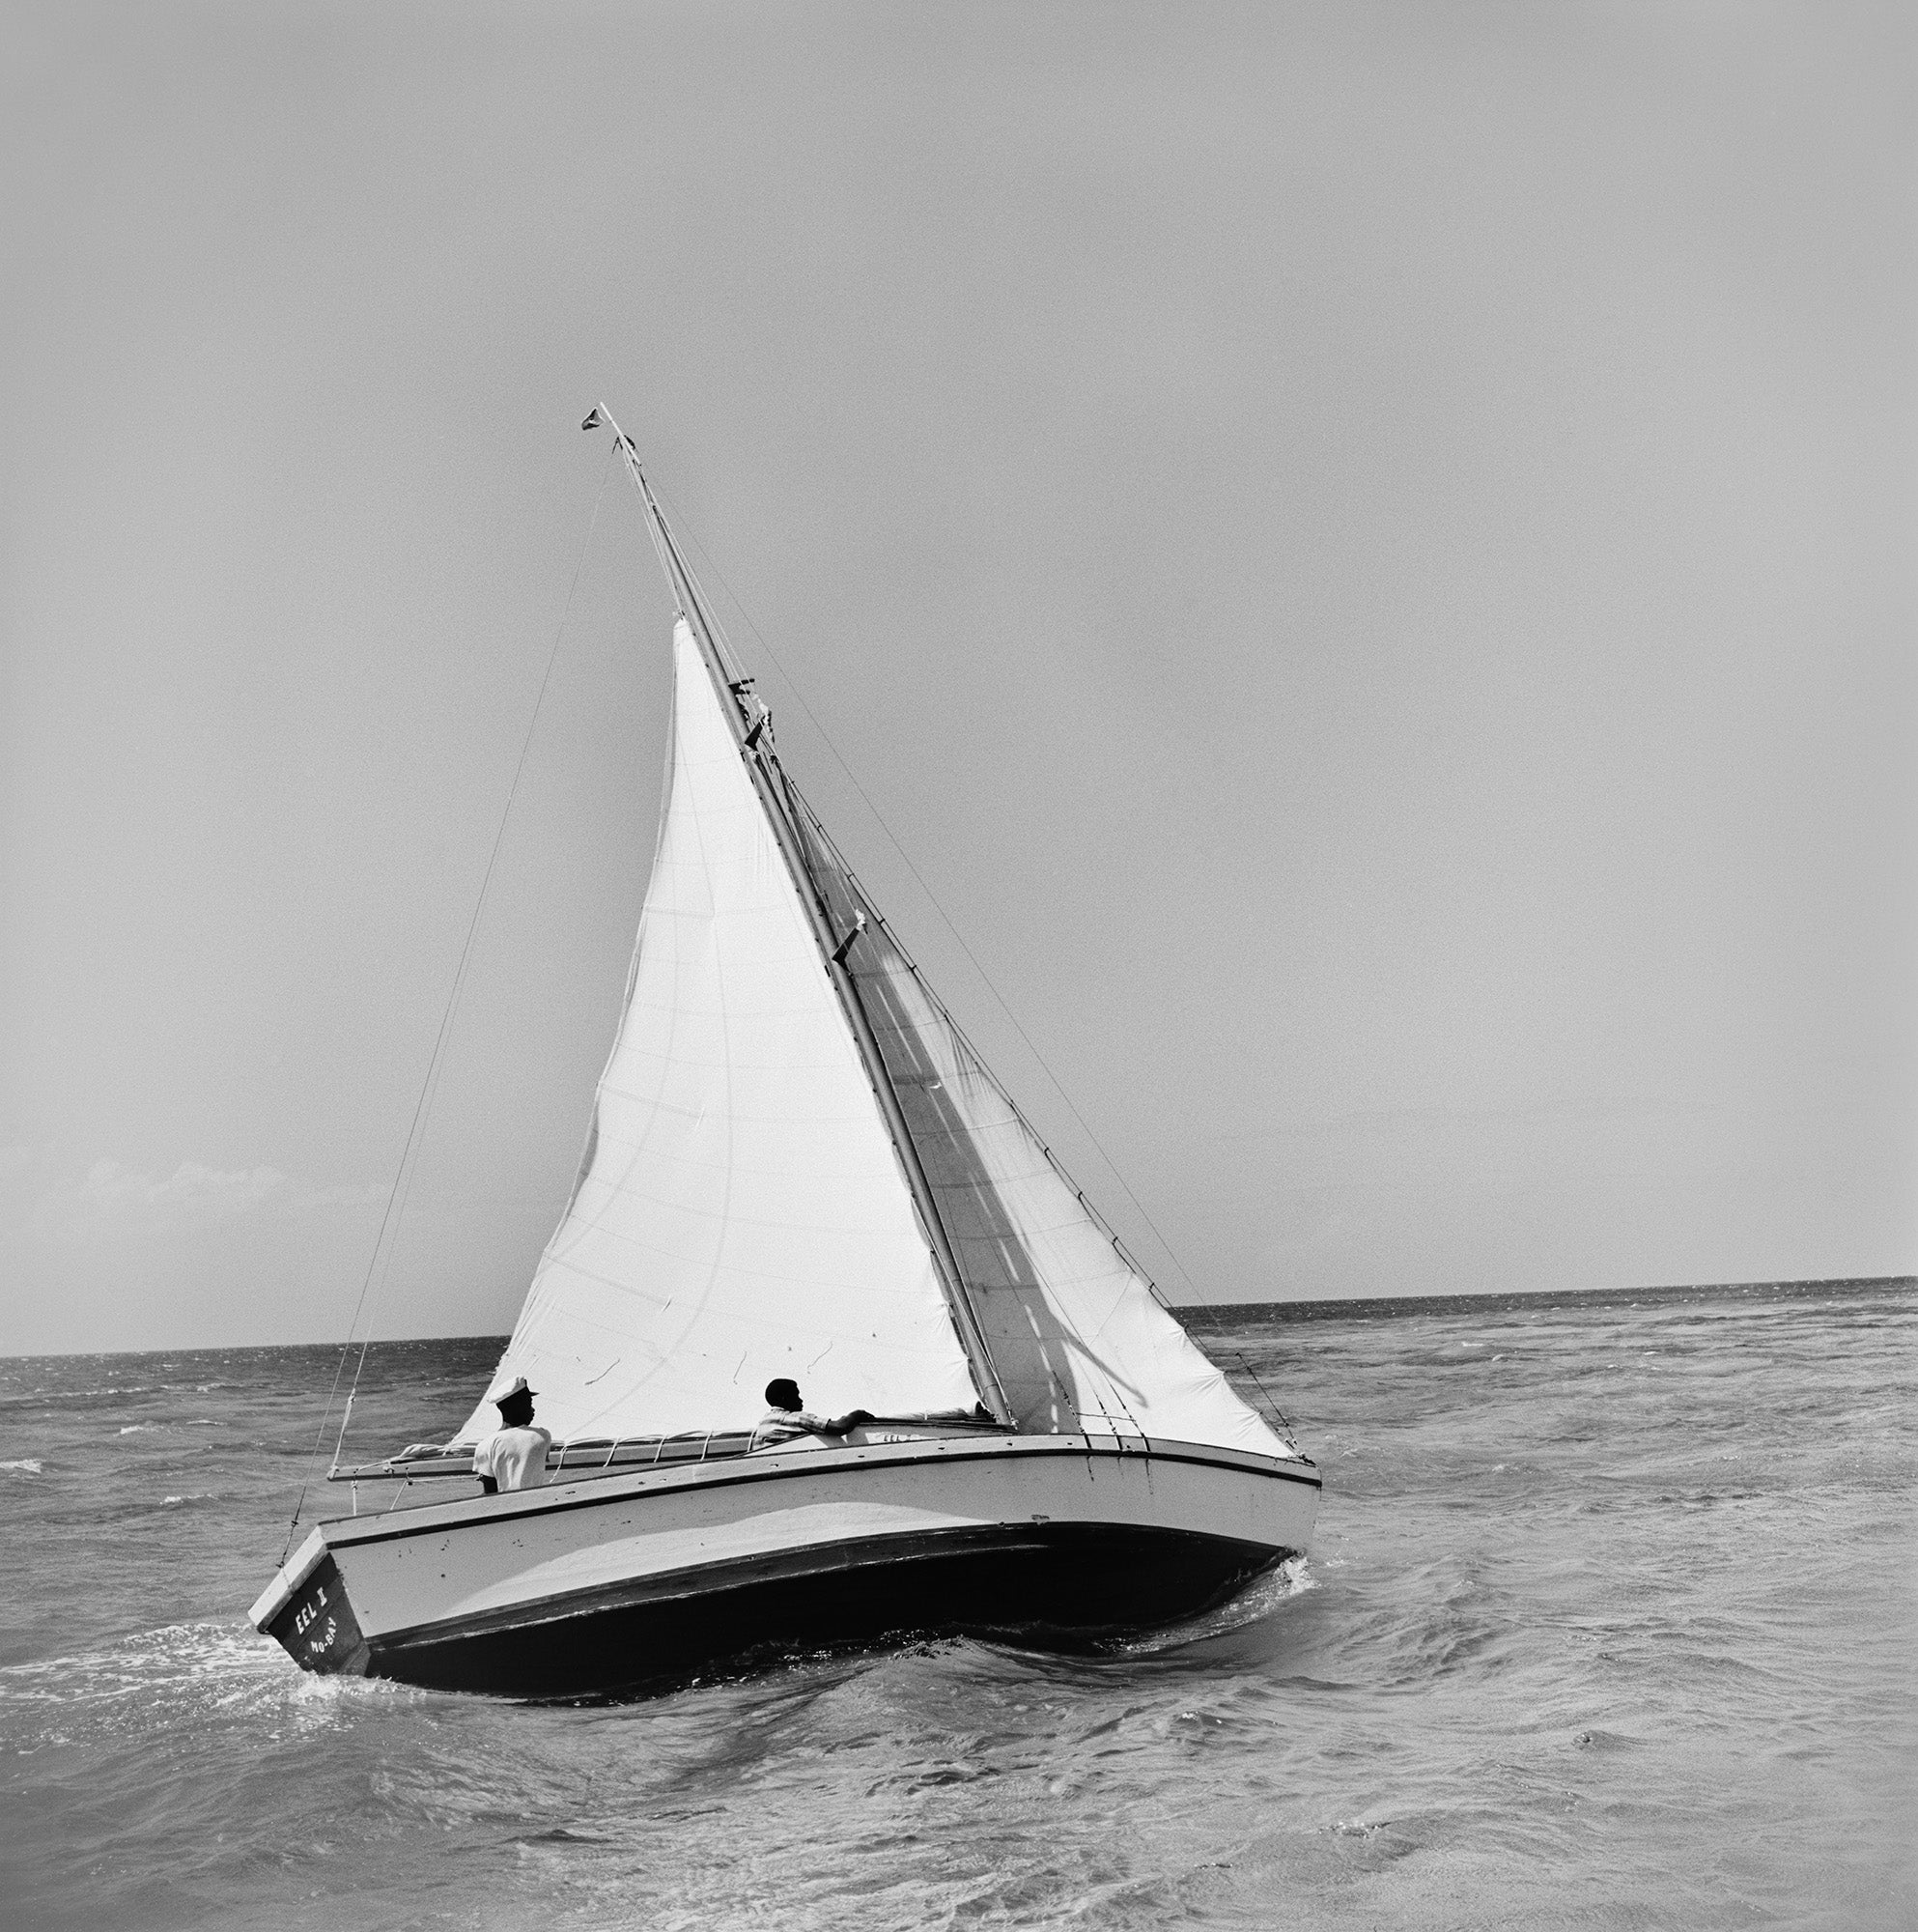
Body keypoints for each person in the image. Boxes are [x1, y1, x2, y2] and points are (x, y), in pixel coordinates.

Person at [749, 1378, 874, 1453]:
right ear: (784, 1398)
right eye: (796, 1395)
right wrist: (856, 1415)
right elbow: (840, 1427)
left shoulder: (762, 1424)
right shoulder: (791, 1418)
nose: (801, 1400)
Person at [473, 1377, 552, 1493]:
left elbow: (490, 1491)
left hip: (506, 1507)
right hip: (536, 1503)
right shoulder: (542, 1436)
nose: (533, 1409)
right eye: (529, 1404)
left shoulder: (485, 1445)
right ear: (519, 1406)